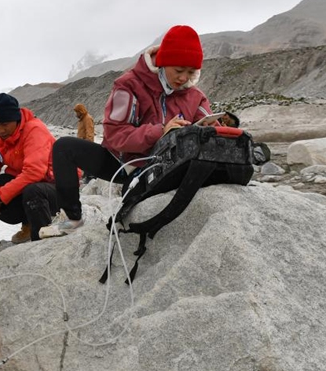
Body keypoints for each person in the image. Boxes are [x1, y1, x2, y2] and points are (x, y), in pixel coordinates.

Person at [39, 25, 218, 238]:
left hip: (168, 165)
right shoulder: (128, 85)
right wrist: (160, 131)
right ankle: (73, 218)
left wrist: (213, 127)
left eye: (191, 73)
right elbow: (115, 136)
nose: (184, 78)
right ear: (162, 62)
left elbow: (206, 125)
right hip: (123, 163)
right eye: (178, 70)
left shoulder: (195, 95)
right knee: (63, 147)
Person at [0, 93, 59, 243]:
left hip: (57, 187)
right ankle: (28, 223)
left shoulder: (34, 130)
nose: (0, 130)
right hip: (29, 185)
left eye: (5, 124)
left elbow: (34, 173)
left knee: (32, 190)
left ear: (16, 118)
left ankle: (41, 237)